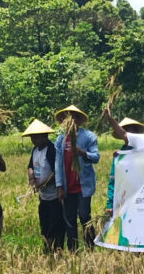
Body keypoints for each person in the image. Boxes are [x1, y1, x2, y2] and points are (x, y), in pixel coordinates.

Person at [54, 105, 100, 251]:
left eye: (73, 117)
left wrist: (82, 153)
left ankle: (90, 247)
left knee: (85, 216)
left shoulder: (88, 137)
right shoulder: (60, 140)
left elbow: (96, 157)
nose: (71, 120)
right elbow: (58, 165)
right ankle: (72, 249)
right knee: (69, 218)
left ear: (79, 120)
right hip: (68, 186)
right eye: (67, 117)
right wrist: (59, 186)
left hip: (83, 185)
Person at [23, 119, 64, 252]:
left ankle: (57, 249)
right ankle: (47, 247)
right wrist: (32, 179)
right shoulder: (35, 150)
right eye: (32, 137)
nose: (34, 140)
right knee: (45, 224)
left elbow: (55, 172)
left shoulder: (51, 150)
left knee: (55, 224)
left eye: (36, 137)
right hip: (43, 196)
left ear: (45, 136)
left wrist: (42, 183)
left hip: (54, 196)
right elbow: (30, 166)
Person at [104, 117, 144, 216]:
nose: (125, 132)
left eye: (129, 129)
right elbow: (113, 180)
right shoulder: (120, 156)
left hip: (142, 198)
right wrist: (110, 203)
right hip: (123, 198)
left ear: (135, 131)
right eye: (124, 129)